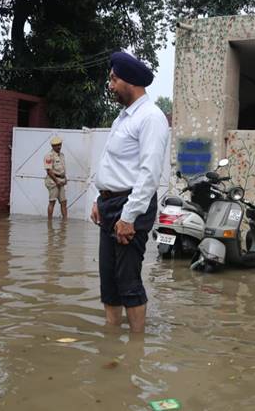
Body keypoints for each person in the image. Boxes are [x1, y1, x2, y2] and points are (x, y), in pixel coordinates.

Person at [90, 51, 170, 333]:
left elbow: (149, 174)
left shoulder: (151, 118)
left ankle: (137, 347)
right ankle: (111, 339)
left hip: (131, 206)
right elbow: (111, 163)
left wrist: (129, 217)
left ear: (130, 81)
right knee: (109, 281)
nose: (110, 85)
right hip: (110, 205)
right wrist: (99, 199)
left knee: (128, 280)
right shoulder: (122, 119)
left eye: (113, 79)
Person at [44, 136, 68, 219]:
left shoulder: (62, 155)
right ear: (52, 146)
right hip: (52, 181)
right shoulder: (49, 156)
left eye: (60, 145)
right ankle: (49, 222)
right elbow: (49, 171)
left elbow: (62, 168)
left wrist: (65, 178)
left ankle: (65, 222)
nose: (59, 147)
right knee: (52, 202)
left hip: (61, 180)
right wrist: (56, 181)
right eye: (57, 145)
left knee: (64, 202)